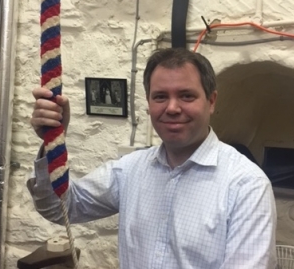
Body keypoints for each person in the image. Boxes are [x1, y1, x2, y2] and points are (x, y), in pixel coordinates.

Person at [29, 47, 277, 268]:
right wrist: (53, 143)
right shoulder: (131, 170)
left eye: (186, 95)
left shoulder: (247, 185)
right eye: (160, 97)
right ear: (148, 103)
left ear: (211, 101)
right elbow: (58, 207)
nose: (172, 108)